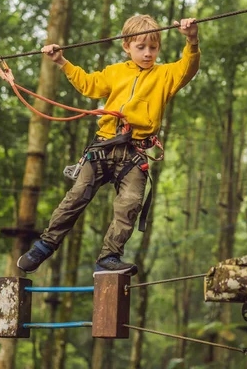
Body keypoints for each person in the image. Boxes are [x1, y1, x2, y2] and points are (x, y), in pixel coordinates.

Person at [17, 14, 200, 276]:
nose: (148, 54)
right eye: (140, 47)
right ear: (126, 47)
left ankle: (109, 256)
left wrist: (191, 39)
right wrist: (61, 62)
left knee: (130, 203)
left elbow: (189, 66)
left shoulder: (165, 75)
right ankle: (45, 245)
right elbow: (89, 85)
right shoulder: (115, 72)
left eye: (153, 47)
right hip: (104, 146)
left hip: (134, 153)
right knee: (77, 195)